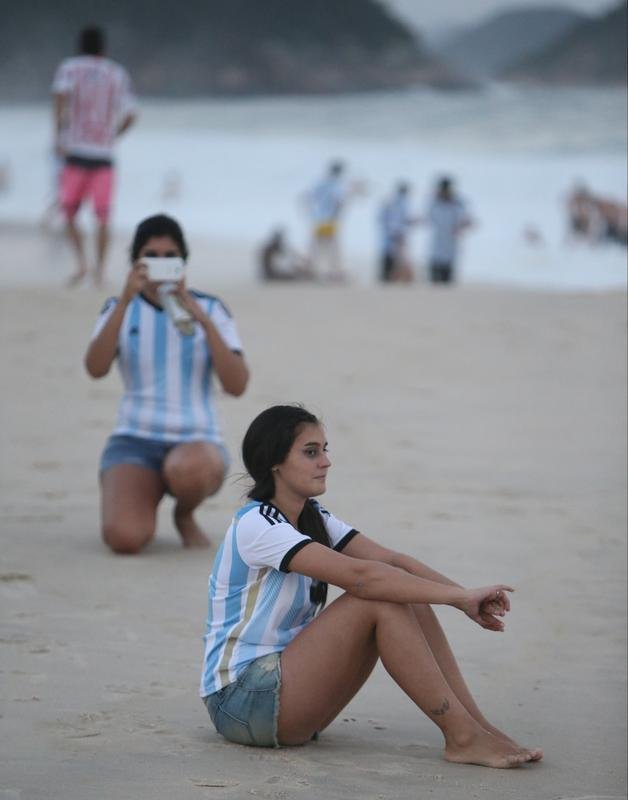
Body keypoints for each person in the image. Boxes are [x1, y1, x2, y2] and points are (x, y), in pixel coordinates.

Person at [200, 405, 543, 767]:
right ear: (274, 463)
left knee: (404, 591)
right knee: (379, 598)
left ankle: (477, 728)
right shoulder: (258, 525)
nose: (326, 461)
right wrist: (457, 598)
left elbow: (392, 563)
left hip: (283, 691)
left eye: (325, 449)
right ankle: (462, 737)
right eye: (311, 452)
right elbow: (363, 579)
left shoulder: (312, 515)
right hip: (239, 700)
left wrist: (467, 596)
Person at [84, 214, 249, 554]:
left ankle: (184, 513)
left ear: (183, 262)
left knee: (187, 468)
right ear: (135, 262)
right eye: (151, 256)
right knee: (124, 539)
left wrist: (200, 319)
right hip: (134, 439)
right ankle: (141, 492)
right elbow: (95, 368)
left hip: (196, 442)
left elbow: (237, 384)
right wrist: (126, 300)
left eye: (169, 257)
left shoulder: (210, 308)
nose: (160, 264)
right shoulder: (119, 307)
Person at [52, 26, 137, 287]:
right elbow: (132, 113)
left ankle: (81, 264)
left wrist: (59, 136)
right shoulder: (116, 73)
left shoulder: (68, 69)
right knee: (103, 215)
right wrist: (113, 135)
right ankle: (99, 270)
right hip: (103, 155)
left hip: (75, 152)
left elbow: (59, 99)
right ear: (104, 48)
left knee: (68, 211)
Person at [303, 161, 363, 281]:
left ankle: (311, 271)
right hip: (330, 220)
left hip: (318, 219)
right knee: (333, 248)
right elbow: (339, 202)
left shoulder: (319, 183)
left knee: (316, 246)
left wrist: (311, 214)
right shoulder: (337, 185)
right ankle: (334, 273)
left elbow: (307, 198)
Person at [426, 177, 473, 284]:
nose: (444, 192)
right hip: (436, 246)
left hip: (451, 246)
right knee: (434, 279)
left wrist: (462, 226)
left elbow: (467, 220)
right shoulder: (433, 202)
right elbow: (428, 218)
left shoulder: (458, 203)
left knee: (447, 278)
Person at [378, 182, 420, 282]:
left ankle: (395, 277)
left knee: (396, 257)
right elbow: (404, 219)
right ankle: (403, 278)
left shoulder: (392, 202)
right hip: (399, 234)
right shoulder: (403, 202)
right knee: (401, 258)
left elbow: (385, 219)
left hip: (392, 234)